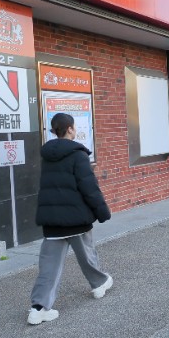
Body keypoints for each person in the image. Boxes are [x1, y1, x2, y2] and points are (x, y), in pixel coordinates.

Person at [28, 113, 112, 325]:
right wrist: (102, 212)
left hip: (52, 221)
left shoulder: (47, 155)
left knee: (49, 266)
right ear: (71, 129)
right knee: (87, 255)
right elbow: (89, 187)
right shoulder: (78, 155)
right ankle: (99, 284)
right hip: (76, 218)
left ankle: (38, 308)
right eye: (73, 127)